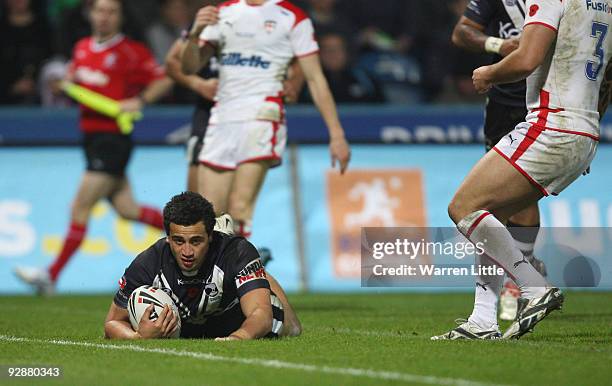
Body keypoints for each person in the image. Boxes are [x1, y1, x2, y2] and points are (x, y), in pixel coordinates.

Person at [432, 0, 612, 340]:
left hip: (551, 123)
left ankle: (533, 287)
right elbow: (607, 77)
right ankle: (483, 320)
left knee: (463, 208)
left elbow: (526, 59)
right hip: (585, 129)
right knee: (490, 217)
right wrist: (589, 132)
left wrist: (490, 72)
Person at [14, 0, 173, 295]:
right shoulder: (83, 48)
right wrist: (63, 85)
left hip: (112, 140)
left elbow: (164, 79)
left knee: (80, 207)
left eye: (111, 11)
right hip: (91, 139)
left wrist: (140, 101)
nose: (104, 17)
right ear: (90, 14)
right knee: (128, 210)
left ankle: (49, 275)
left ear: (120, 17)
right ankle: (188, 229)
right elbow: (76, 80)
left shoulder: (131, 52)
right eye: (100, 11)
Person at [180, 0, 351, 239]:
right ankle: (227, 270)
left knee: (239, 210)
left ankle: (240, 271)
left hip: (262, 116)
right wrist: (195, 33)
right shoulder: (224, 13)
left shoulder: (292, 17)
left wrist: (337, 135)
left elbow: (315, 79)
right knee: (209, 216)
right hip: (222, 119)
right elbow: (188, 67)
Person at [451, 0, 548, 321]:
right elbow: (461, 33)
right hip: (504, 105)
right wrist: (498, 44)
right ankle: (522, 272)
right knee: (499, 201)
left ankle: (523, 276)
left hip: (543, 103)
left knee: (518, 197)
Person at [104, 191, 302, 340]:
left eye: (196, 241)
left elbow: (261, 315)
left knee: (291, 329)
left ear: (211, 236)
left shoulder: (237, 252)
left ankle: (256, 274)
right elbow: (112, 322)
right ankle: (254, 275)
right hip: (189, 327)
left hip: (233, 318)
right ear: (168, 239)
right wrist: (138, 337)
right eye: (179, 241)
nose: (187, 252)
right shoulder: (148, 262)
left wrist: (238, 338)